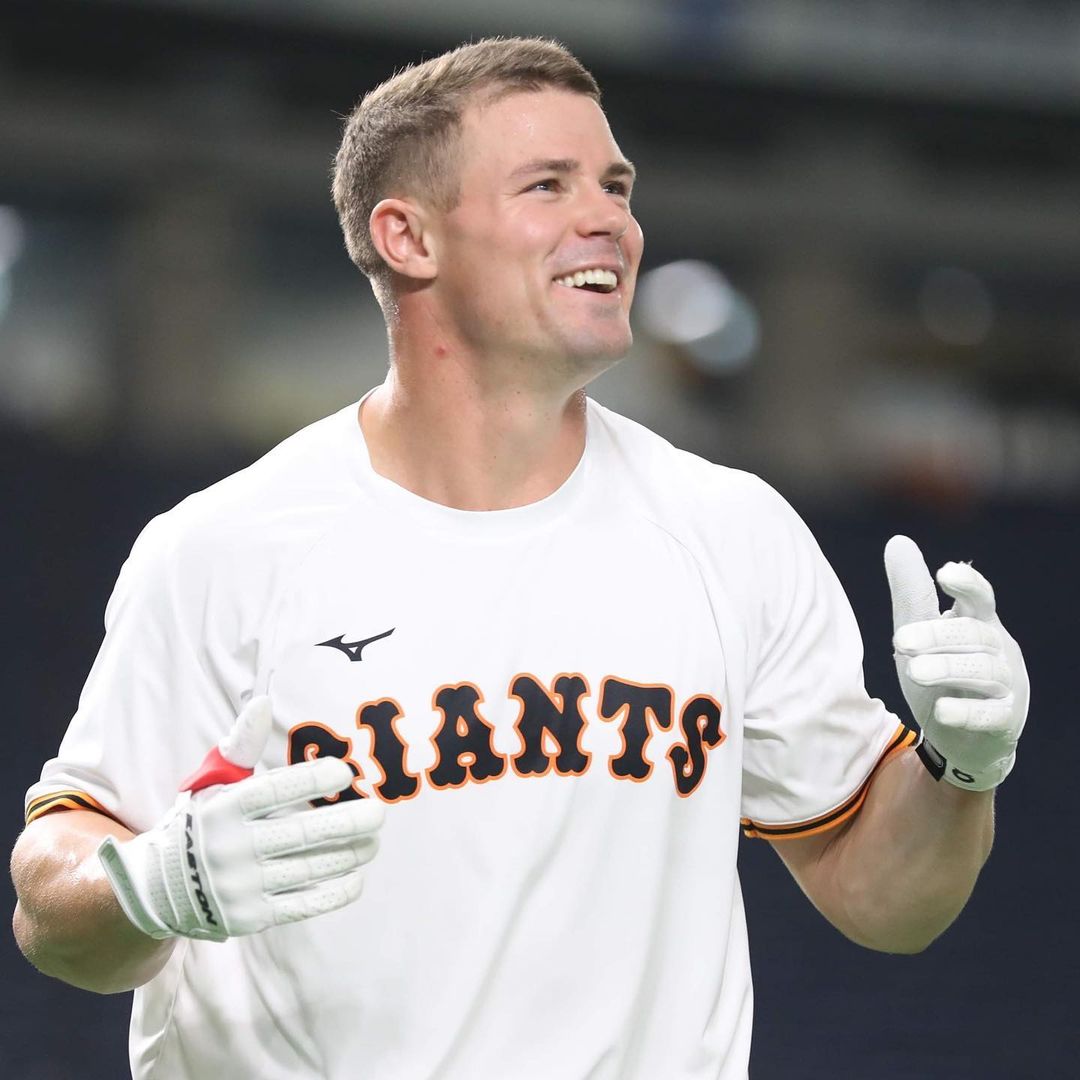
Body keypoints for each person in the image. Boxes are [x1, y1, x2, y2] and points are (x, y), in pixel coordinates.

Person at [11, 37, 1028, 1080]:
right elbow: (52, 914)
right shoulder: (224, 548)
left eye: (616, 186)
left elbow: (886, 904)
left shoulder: (730, 531)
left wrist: (960, 766)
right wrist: (149, 887)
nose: (612, 221)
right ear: (407, 237)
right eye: (549, 185)